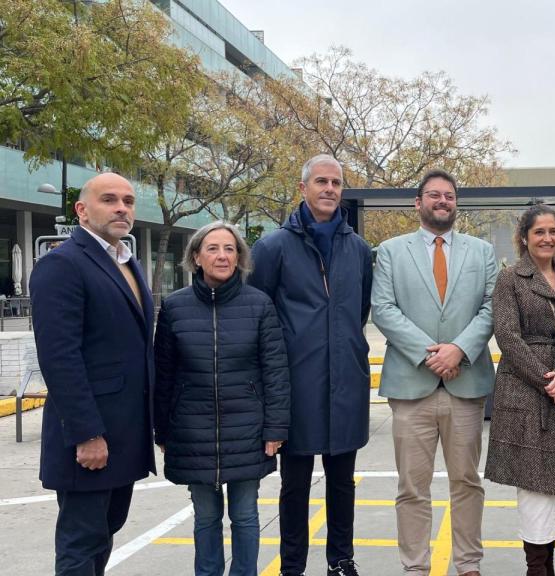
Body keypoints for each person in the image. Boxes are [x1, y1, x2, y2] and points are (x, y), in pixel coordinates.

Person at [249, 154, 373, 576]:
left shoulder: (358, 249)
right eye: (321, 181)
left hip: (345, 384)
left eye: (336, 183)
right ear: (302, 188)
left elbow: (359, 311)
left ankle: (341, 560)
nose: (329, 189)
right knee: (295, 484)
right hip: (295, 387)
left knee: (342, 483)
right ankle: (293, 566)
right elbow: (259, 315)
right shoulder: (272, 248)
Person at [371, 169, 497, 576]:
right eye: (434, 195)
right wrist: (430, 355)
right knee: (412, 486)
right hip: (412, 387)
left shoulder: (482, 252)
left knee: (467, 481)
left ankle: (468, 563)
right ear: (418, 202)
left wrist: (459, 349)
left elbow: (492, 307)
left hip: (466, 384)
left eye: (449, 196)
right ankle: (415, 567)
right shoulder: (391, 251)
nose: (443, 201)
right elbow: (383, 309)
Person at [30, 172, 156, 576]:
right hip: (90, 437)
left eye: (128, 201)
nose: (121, 208)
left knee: (104, 532)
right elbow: (59, 357)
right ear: (82, 210)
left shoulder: (127, 262)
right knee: (81, 543)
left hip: (124, 434)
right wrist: (86, 434)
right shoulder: (62, 264)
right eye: (109, 200)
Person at [154, 221, 290, 576]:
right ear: (196, 257)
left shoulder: (259, 305)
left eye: (230, 249)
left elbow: (275, 372)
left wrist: (275, 428)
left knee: (245, 515)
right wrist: (162, 429)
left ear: (240, 257)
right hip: (192, 431)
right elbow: (164, 374)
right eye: (213, 248)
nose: (222, 256)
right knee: (206, 517)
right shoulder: (175, 307)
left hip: (247, 430)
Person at [484, 204, 555, 575]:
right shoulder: (510, 279)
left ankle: (548, 565)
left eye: (553, 231)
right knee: (533, 486)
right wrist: (548, 380)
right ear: (524, 238)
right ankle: (537, 568)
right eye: (539, 231)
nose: (547, 238)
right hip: (525, 393)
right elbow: (507, 336)